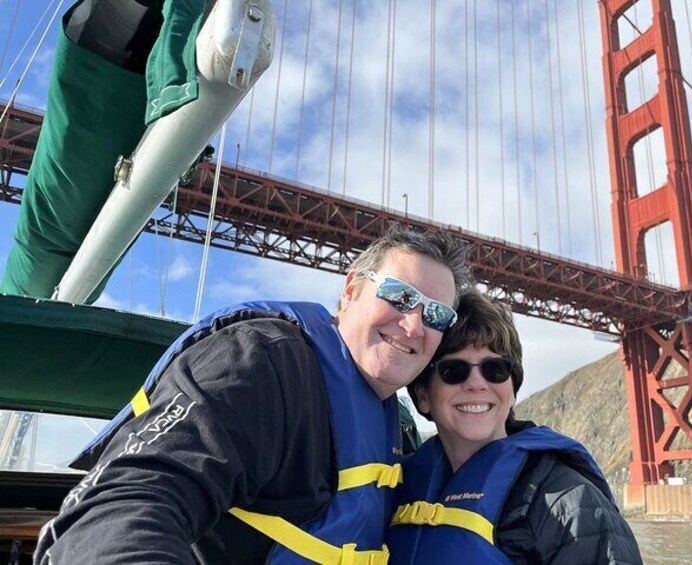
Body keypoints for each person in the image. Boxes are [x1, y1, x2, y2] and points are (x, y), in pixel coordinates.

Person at [35, 228, 471, 564]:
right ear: (352, 290)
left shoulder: (391, 424)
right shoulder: (261, 361)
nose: (414, 326)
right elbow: (126, 503)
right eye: (399, 296)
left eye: (436, 314)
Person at [388, 289, 642, 564]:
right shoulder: (396, 487)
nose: (477, 383)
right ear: (423, 395)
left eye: (494, 369)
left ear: (512, 392)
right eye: (454, 370)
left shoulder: (572, 503)